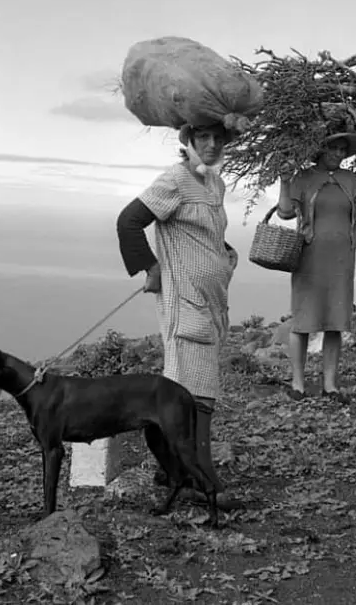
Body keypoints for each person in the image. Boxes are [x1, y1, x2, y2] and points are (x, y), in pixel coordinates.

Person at [116, 121, 242, 508]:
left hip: (210, 303)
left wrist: (224, 256)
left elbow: (207, 235)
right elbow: (129, 221)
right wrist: (150, 268)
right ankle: (205, 483)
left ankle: (173, 470)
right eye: (203, 137)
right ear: (187, 141)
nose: (211, 144)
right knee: (194, 397)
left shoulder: (214, 185)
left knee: (189, 395)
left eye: (218, 138)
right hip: (184, 303)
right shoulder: (173, 180)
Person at [276, 131, 356, 402]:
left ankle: (330, 385)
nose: (339, 154)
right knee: (302, 320)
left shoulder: (350, 179)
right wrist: (284, 181)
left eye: (343, 150)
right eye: (334, 148)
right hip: (308, 256)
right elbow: (284, 212)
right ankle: (298, 384)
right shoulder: (304, 177)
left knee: (335, 321)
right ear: (321, 148)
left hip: (342, 258)